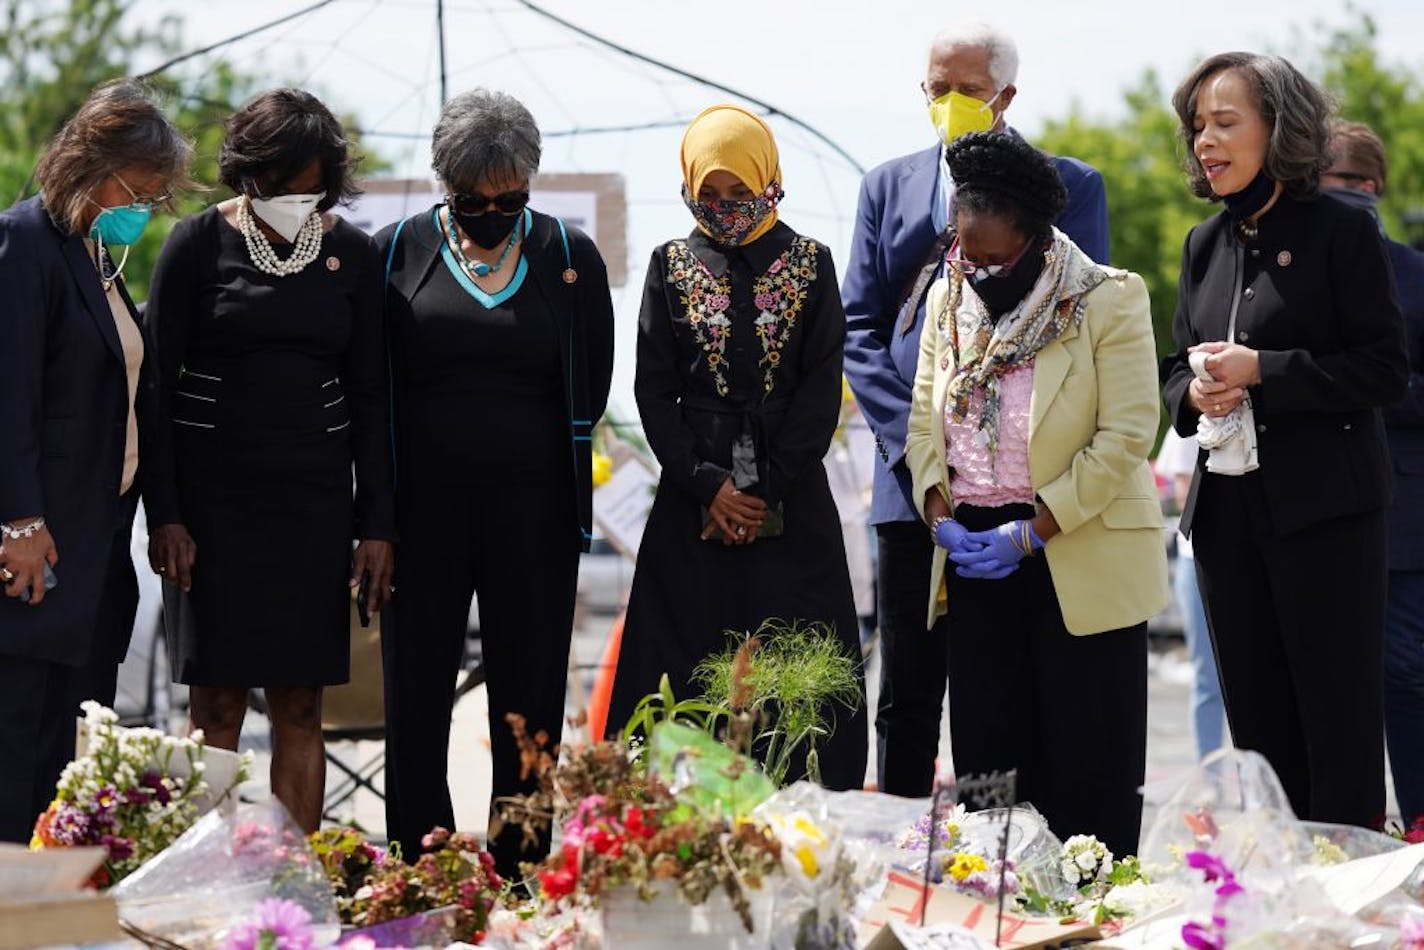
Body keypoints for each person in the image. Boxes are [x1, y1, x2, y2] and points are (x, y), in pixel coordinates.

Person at [842, 21, 1111, 797]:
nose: (949, 103)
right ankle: (899, 846)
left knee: (1009, 687)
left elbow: (1075, 321)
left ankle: (1007, 858)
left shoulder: (1069, 187)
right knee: (907, 687)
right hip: (911, 482)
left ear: (1006, 95)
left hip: (1022, 484)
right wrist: (920, 446)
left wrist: (991, 445)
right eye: (937, 89)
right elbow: (861, 327)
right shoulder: (886, 185)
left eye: (966, 90)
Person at [1162, 54, 1408, 828]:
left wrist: (1265, 369)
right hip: (1228, 521)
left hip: (1326, 517)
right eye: (1199, 124)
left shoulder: (1342, 232)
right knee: (1260, 733)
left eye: (1226, 122)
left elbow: (1383, 370)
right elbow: (1171, 373)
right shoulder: (1203, 242)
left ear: (1281, 128)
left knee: (1336, 731)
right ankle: (1279, 905)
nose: (1206, 140)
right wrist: (1195, 388)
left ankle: (1345, 914)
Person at [375, 89, 615, 879]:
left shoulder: (568, 256)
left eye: (511, 199)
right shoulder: (395, 252)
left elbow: (595, 377)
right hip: (421, 520)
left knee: (530, 700)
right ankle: (424, 863)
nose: (493, 213)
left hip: (535, 519)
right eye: (474, 201)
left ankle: (518, 864)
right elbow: (373, 390)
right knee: (416, 697)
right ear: (445, 184)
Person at [906, 131, 1165, 856]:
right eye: (964, 251)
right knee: (990, 768)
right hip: (975, 553)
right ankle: (997, 907)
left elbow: (1126, 436)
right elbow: (923, 421)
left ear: (1037, 239)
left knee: (1088, 760)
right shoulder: (946, 300)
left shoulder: (1107, 299)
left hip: (1075, 550)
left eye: (993, 256)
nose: (976, 267)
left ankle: (1092, 915)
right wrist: (939, 516)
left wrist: (1033, 532)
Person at [144, 89, 396, 833]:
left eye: (312, 184)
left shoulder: (354, 253)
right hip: (210, 519)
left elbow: (373, 399)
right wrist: (167, 516)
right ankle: (203, 887)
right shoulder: (194, 245)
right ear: (248, 174)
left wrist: (376, 523)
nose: (298, 198)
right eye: (282, 183)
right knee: (215, 706)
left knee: (299, 704)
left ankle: (297, 890)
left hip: (311, 514)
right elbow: (154, 392)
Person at [607, 104, 869, 790]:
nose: (723, 208)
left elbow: (820, 385)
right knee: (681, 665)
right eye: (709, 194)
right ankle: (671, 830)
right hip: (693, 502)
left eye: (739, 192)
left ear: (769, 180)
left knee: (800, 670)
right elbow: (653, 389)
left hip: (793, 494)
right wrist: (710, 485)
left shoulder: (811, 264)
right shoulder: (670, 264)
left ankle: (807, 823)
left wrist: (764, 488)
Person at [0, 80, 192, 842]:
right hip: (39, 545)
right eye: (138, 189)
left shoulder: (96, 258)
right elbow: (8, 391)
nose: (144, 208)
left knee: (69, 755)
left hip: (98, 546)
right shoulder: (25, 245)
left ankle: (53, 907)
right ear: (91, 165)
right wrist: (18, 518)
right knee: (19, 742)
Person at [1322, 120, 1424, 827]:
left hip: (1403, 515)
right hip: (1312, 508)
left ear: (1377, 189)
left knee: (1404, 674)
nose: (1348, 196)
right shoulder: (1290, 269)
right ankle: (1342, 834)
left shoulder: (1416, 274)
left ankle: (1417, 823)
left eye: (1358, 185)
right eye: (1334, 185)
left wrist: (1359, 386)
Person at [1157, 428, 1226, 760]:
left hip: (1252, 557)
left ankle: (1260, 783)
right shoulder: (1188, 422)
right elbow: (1188, 495)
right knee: (1207, 676)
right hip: (1197, 558)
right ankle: (1211, 774)